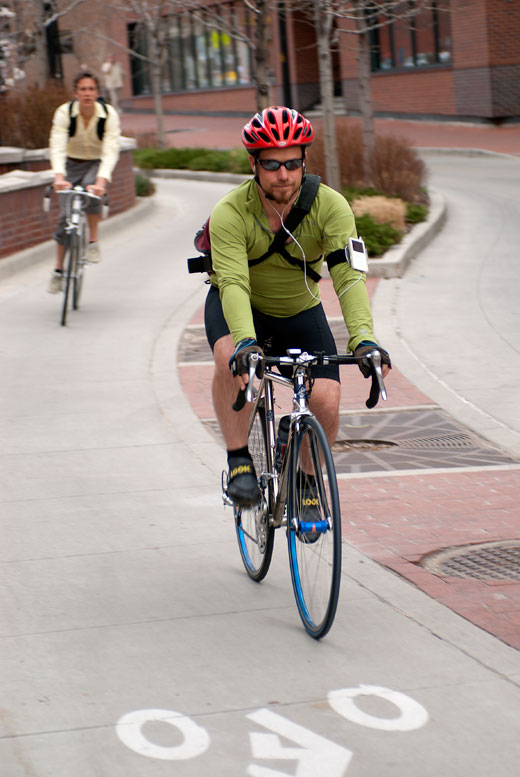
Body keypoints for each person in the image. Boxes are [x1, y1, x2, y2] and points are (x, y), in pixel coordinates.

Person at [203, 106, 391, 507]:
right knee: (231, 363)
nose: (283, 174)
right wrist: (245, 342)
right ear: (254, 164)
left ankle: (305, 480)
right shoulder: (230, 212)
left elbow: (348, 276)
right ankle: (239, 460)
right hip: (241, 308)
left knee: (325, 399)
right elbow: (233, 282)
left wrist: (364, 339)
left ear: (304, 160)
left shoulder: (331, 206)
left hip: (300, 310)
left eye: (292, 163)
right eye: (271, 164)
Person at [47, 71, 121, 294]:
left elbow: (110, 150)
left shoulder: (108, 114)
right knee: (64, 217)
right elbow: (57, 144)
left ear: (97, 93)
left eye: (91, 89)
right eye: (83, 89)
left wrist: (101, 182)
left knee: (93, 193)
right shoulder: (64, 113)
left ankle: (93, 241)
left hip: (96, 162)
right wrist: (59, 176)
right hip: (71, 163)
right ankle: (58, 270)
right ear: (75, 93)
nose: (87, 93)